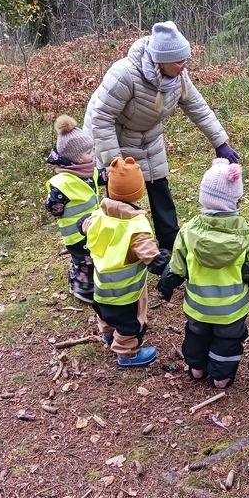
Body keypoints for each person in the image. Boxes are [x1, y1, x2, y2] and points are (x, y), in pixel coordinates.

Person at [84, 21, 238, 251]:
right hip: (113, 136)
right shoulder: (125, 74)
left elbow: (197, 107)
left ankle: (170, 247)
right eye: (179, 61)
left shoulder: (178, 77)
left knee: (159, 186)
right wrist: (113, 162)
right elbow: (101, 118)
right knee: (122, 195)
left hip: (149, 136)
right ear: (161, 61)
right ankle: (123, 247)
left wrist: (220, 142)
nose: (184, 66)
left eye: (186, 59)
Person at [157, 159, 249, 388]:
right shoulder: (245, 233)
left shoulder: (189, 230)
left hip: (198, 306)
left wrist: (166, 285)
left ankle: (197, 368)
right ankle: (221, 377)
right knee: (228, 341)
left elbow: (177, 266)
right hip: (232, 309)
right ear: (235, 200)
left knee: (195, 335)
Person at [81, 157, 168, 368]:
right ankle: (127, 353)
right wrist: (163, 259)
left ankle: (108, 336)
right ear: (138, 192)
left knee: (106, 315)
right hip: (126, 293)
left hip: (100, 287)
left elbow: (81, 226)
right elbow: (151, 256)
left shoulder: (97, 216)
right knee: (131, 324)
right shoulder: (136, 225)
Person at [45, 115, 108, 304]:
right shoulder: (63, 182)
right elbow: (52, 205)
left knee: (87, 258)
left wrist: (114, 172)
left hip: (92, 228)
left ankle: (77, 282)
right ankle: (83, 289)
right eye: (89, 152)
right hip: (75, 233)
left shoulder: (86, 172)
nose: (93, 155)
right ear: (76, 157)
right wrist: (58, 208)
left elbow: (100, 177)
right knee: (85, 261)